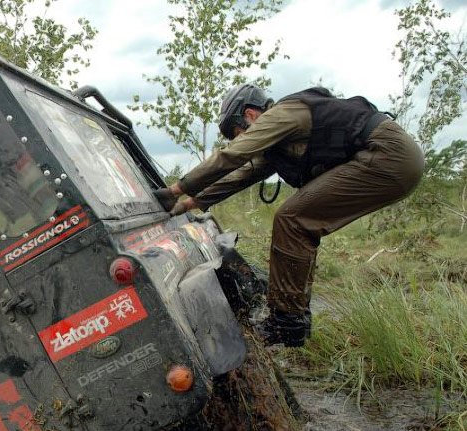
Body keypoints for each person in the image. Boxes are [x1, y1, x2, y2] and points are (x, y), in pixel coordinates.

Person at [154, 84, 424, 347]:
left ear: (250, 115)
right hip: (392, 158)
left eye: (239, 133)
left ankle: (286, 321)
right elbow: (243, 173)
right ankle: (296, 316)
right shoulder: (280, 142)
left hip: (388, 155)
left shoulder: (283, 114)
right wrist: (189, 204)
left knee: (292, 219)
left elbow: (234, 156)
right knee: (300, 222)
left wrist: (176, 189)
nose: (241, 139)